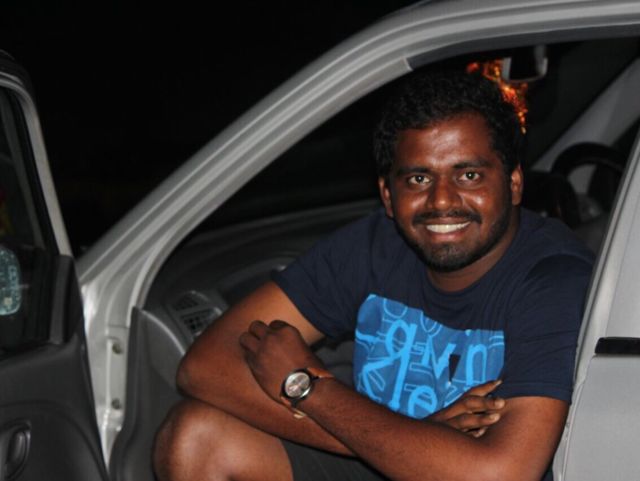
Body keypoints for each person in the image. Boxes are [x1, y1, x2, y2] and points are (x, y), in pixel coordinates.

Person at [153, 69, 594, 481]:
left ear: (514, 184)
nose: (442, 201)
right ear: (387, 195)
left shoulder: (552, 279)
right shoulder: (374, 245)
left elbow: (502, 474)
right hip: (383, 460)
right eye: (418, 179)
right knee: (193, 436)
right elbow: (205, 366)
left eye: (469, 175)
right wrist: (413, 437)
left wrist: (310, 390)